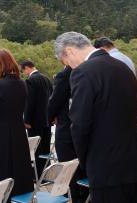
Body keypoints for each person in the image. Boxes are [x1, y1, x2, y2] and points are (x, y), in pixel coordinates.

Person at [55, 32, 137, 203]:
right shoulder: (123, 67)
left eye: (66, 62)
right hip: (136, 165)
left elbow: (79, 125)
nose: (70, 66)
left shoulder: (83, 72)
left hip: (107, 170)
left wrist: (86, 162)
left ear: (69, 51)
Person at [0, 49, 34, 199]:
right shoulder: (22, 84)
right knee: (19, 163)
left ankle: (2, 195)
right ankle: (20, 195)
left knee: (3, 165)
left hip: (2, 131)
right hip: (19, 130)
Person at [48, 66, 88, 203]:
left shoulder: (64, 75)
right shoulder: (87, 71)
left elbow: (54, 102)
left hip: (66, 129)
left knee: (69, 171)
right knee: (83, 169)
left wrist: (49, 116)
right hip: (85, 129)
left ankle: (75, 198)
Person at [20, 60, 53, 179]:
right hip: (46, 120)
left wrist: (26, 120)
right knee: (45, 148)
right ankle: (47, 173)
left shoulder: (30, 80)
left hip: (34, 121)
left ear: (27, 68)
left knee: (36, 149)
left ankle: (39, 175)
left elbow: (30, 103)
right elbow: (52, 98)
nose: (24, 73)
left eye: (23, 70)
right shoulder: (46, 78)